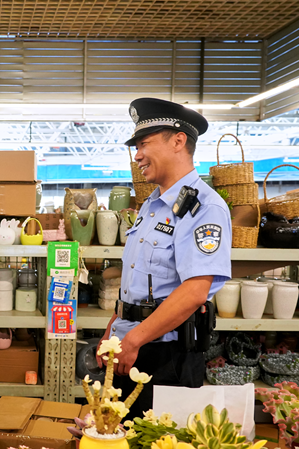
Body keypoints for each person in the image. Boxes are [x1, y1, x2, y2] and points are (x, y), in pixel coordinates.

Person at [98, 98, 232, 417]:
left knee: (157, 446)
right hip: (131, 344)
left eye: (144, 144)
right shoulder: (152, 205)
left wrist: (133, 341)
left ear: (178, 141)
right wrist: (113, 332)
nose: (137, 155)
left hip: (166, 356)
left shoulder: (204, 208)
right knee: (118, 439)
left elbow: (195, 291)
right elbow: (137, 282)